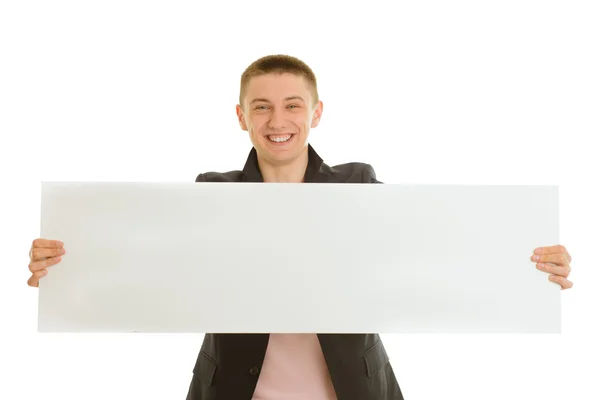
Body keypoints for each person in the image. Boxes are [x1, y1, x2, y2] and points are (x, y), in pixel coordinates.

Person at [26, 54, 575, 400]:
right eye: (261, 107)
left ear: (316, 113)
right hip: (236, 389)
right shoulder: (213, 191)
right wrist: (69, 260)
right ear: (241, 116)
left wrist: (524, 258)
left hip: (349, 388)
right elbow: (151, 260)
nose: (277, 121)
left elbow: (431, 243)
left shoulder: (357, 185)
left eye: (292, 105)